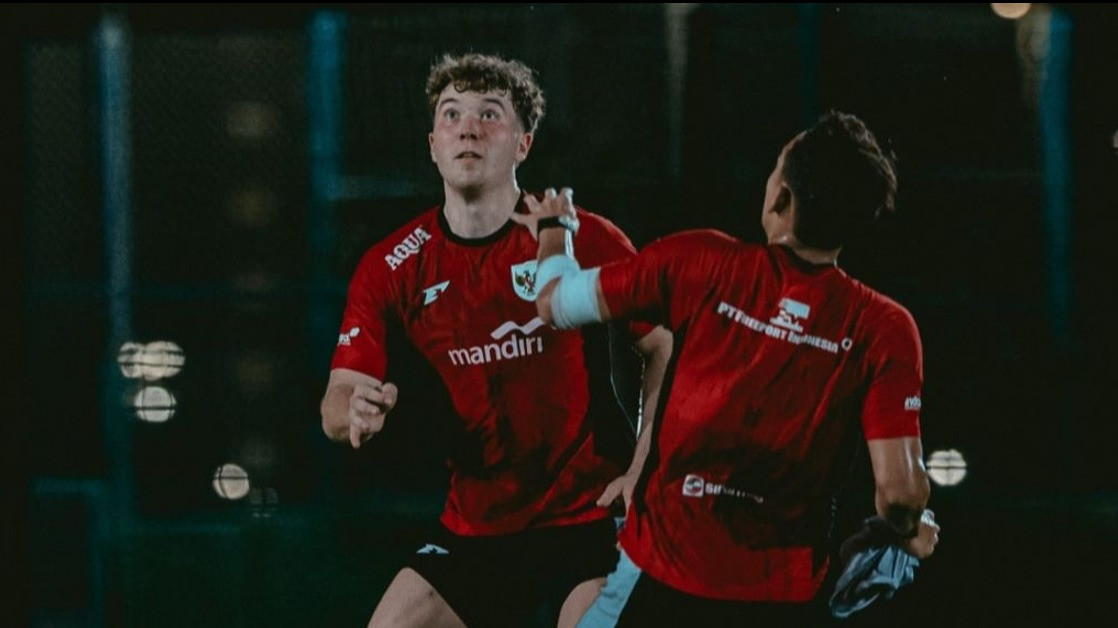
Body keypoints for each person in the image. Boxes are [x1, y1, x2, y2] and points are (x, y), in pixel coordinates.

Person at [514, 111, 940, 626]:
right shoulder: (886, 328)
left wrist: (554, 229)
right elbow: (899, 494)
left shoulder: (699, 260)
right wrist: (907, 530)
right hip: (781, 597)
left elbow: (554, 302)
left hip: (663, 575)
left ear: (780, 199)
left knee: (582, 608)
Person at [320, 53, 672, 628]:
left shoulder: (578, 236)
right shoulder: (391, 265)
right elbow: (336, 404)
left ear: (524, 144)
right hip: (475, 527)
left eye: (490, 113)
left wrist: (646, 462)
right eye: (452, 114)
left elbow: (663, 344)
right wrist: (352, 409)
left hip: (585, 519)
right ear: (433, 143)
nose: (468, 127)